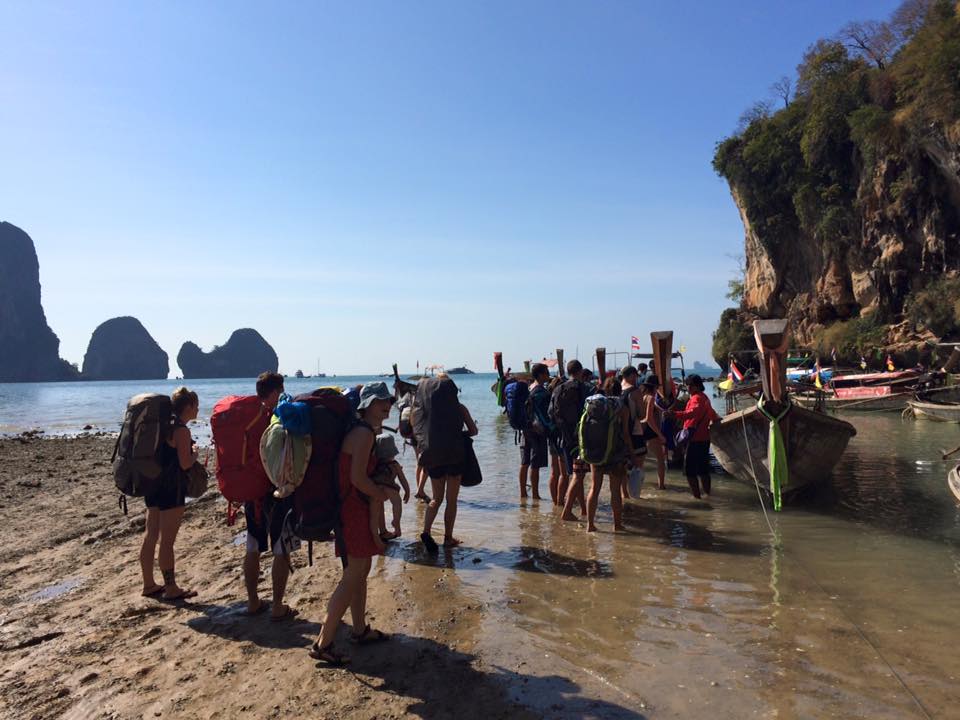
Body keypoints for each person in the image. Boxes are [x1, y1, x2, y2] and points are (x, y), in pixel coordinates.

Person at [310, 382, 394, 666]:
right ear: (365, 404)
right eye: (379, 400)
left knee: (359, 570)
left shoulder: (361, 430)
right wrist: (380, 493)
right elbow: (358, 478)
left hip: (349, 507)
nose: (387, 404)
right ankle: (324, 643)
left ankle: (359, 630)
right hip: (352, 509)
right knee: (352, 575)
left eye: (389, 400)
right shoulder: (363, 434)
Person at [243, 371, 299, 620]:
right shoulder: (280, 414)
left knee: (253, 544)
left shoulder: (248, 416)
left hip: (252, 490)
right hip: (277, 490)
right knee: (280, 548)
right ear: (276, 391)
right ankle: (277, 606)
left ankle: (253, 602)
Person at [140, 387, 199, 600]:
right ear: (189, 406)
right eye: (196, 405)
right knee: (167, 541)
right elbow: (184, 464)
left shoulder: (163, 425)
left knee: (151, 535)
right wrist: (195, 455)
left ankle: (148, 584)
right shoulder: (182, 430)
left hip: (153, 485)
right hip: (171, 488)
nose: (198, 409)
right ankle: (171, 587)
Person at [415, 374, 479, 552]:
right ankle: (448, 538)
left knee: (436, 498)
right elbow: (473, 431)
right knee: (451, 500)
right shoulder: (459, 408)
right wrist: (461, 435)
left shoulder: (426, 411)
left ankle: (426, 531)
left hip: (434, 457)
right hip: (455, 456)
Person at [585, 380, 635, 532]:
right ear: (620, 390)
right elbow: (626, 434)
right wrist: (632, 453)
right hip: (616, 453)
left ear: (605, 390)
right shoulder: (623, 408)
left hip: (597, 451)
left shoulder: (596, 406)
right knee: (615, 490)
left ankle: (590, 525)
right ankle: (617, 525)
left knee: (595, 488)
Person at [668, 374, 720, 499]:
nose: (688, 387)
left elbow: (693, 412)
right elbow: (712, 413)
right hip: (704, 438)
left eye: (690, 385)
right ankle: (707, 494)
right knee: (703, 470)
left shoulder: (696, 398)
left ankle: (697, 497)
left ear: (696, 386)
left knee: (689, 471)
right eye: (687, 385)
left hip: (694, 439)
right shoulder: (705, 397)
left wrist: (675, 414)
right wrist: (717, 419)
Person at [556, 360, 590, 521]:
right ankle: (567, 511)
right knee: (578, 475)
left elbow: (551, 412)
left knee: (577, 474)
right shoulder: (583, 388)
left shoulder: (558, 388)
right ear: (580, 371)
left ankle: (582, 509)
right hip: (580, 439)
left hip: (563, 437)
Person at [518, 363, 551, 500]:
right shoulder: (542, 392)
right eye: (546, 372)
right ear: (541, 375)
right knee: (535, 464)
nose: (548, 374)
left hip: (524, 428)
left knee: (524, 462)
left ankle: (523, 493)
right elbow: (546, 413)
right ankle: (536, 495)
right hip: (537, 430)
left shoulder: (528, 388)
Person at [369, 434, 410, 544]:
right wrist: (407, 490)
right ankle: (396, 522)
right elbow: (402, 479)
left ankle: (378, 534)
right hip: (389, 487)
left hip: (376, 487)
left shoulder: (375, 464)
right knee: (397, 503)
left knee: (377, 511)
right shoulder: (394, 464)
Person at [620, 366, 647, 500]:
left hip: (620, 433)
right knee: (638, 465)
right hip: (635, 432)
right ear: (630, 376)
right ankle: (635, 496)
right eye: (635, 376)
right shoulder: (635, 391)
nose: (636, 379)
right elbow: (641, 415)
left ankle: (624, 494)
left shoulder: (618, 388)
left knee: (623, 466)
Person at [638, 375, 668, 490]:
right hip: (651, 432)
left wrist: (663, 410)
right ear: (654, 387)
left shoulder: (643, 397)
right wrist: (660, 435)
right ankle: (661, 486)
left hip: (642, 432)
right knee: (661, 460)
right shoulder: (651, 398)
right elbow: (649, 418)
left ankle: (637, 486)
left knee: (640, 462)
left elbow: (652, 409)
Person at [546, 375, 569, 506]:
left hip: (551, 435)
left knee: (554, 472)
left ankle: (555, 501)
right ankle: (560, 503)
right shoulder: (561, 398)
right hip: (561, 435)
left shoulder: (549, 398)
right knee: (564, 474)